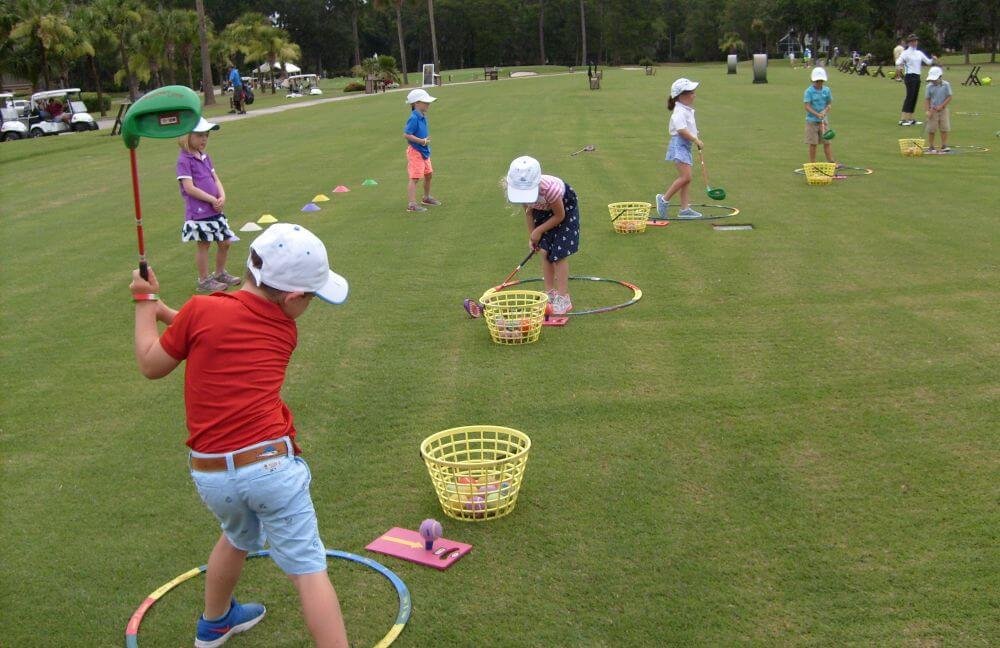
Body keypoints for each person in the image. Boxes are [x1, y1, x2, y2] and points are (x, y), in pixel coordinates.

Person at [130, 222, 351, 648]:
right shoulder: (284, 330)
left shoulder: (200, 310)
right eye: (311, 297)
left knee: (237, 536)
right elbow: (216, 332)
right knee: (308, 569)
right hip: (270, 468)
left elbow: (156, 359)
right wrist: (157, 308)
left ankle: (215, 623)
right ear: (291, 297)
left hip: (213, 476)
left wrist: (145, 304)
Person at [505, 156, 580, 315]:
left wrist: (538, 231)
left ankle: (562, 297)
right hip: (542, 211)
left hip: (563, 209)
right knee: (545, 251)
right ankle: (550, 294)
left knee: (558, 253)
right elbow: (528, 212)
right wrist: (532, 236)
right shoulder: (522, 192)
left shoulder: (550, 189)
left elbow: (560, 216)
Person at [176, 117, 241, 293]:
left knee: (225, 242)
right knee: (204, 243)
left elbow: (215, 178)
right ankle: (204, 280)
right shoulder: (184, 160)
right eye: (199, 135)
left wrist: (222, 196)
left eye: (206, 135)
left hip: (215, 209)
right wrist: (212, 200)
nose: (204, 139)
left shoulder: (204, 157)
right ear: (187, 136)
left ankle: (219, 273)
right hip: (199, 212)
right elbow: (189, 188)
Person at [656, 78, 704, 219]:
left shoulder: (685, 109)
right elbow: (681, 130)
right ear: (681, 96)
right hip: (679, 145)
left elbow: (688, 127)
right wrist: (695, 139)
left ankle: (684, 209)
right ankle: (664, 199)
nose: (693, 95)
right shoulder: (679, 111)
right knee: (686, 177)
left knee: (687, 179)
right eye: (691, 93)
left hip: (685, 145)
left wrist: (695, 135)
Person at [403, 88, 441, 212]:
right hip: (416, 151)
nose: (428, 104)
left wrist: (424, 142)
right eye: (425, 102)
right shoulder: (414, 118)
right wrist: (422, 141)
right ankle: (412, 204)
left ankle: (426, 197)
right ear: (416, 103)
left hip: (424, 151)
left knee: (429, 174)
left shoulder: (422, 116)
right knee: (415, 177)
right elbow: (407, 134)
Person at [895, 33, 937, 126]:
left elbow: (928, 62)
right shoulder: (905, 53)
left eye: (916, 41)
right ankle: (903, 119)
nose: (915, 42)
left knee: (914, 97)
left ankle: (910, 119)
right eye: (913, 41)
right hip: (909, 76)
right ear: (909, 43)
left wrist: (933, 59)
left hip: (917, 76)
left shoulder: (919, 53)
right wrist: (902, 62)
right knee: (909, 97)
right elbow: (898, 62)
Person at [803, 67, 836, 164]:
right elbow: (807, 106)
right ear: (813, 80)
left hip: (823, 121)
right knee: (813, 143)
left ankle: (831, 161)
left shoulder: (827, 90)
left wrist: (825, 111)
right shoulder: (808, 91)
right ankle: (812, 163)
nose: (819, 83)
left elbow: (829, 104)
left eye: (821, 81)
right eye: (817, 81)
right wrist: (817, 114)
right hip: (811, 121)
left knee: (827, 142)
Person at [924, 66, 953, 152]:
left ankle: (944, 145)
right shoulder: (929, 86)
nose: (933, 81)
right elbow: (927, 99)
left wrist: (942, 106)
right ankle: (931, 146)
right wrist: (928, 111)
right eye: (932, 80)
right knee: (931, 129)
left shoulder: (946, 85)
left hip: (943, 110)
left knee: (944, 128)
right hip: (933, 110)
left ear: (940, 77)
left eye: (934, 79)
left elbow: (949, 96)